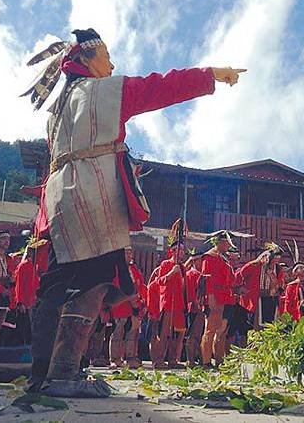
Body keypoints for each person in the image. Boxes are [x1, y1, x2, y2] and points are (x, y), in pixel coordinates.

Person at [23, 27, 245, 396]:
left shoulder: (56, 112)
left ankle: (41, 373)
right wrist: (211, 74)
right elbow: (160, 87)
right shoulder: (106, 92)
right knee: (93, 280)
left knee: (57, 282)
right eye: (107, 56)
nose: (112, 64)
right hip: (91, 195)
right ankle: (63, 375)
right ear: (87, 60)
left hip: (60, 199)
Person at [200, 231, 236, 368]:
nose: (229, 246)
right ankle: (206, 361)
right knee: (210, 330)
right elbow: (206, 278)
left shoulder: (223, 258)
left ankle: (219, 360)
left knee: (220, 331)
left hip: (225, 298)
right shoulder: (210, 256)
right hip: (214, 297)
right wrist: (210, 297)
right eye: (227, 243)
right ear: (221, 242)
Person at [109, 246, 147, 369]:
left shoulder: (134, 269)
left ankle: (130, 357)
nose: (130, 255)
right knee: (118, 332)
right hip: (120, 305)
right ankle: (115, 359)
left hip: (134, 305)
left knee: (132, 332)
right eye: (127, 253)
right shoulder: (116, 269)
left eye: (131, 252)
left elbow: (140, 285)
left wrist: (142, 302)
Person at [150, 241, 187, 369]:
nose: (181, 252)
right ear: (172, 251)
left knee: (176, 334)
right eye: (178, 249)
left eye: (182, 250)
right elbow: (159, 281)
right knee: (164, 333)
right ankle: (158, 360)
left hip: (179, 305)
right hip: (168, 303)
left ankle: (172, 360)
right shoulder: (165, 264)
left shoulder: (182, 267)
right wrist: (171, 273)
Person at [184, 254, 205, 367]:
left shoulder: (193, 274)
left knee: (196, 334)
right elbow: (193, 293)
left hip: (194, 307)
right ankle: (191, 360)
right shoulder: (193, 274)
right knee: (194, 334)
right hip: (195, 308)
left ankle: (197, 359)